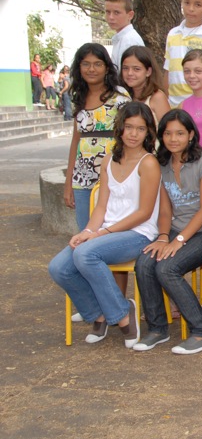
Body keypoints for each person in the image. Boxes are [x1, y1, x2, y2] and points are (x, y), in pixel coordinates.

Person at [49, 101, 160, 348]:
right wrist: (88, 231)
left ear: (148, 132)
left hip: (138, 233)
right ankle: (99, 314)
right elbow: (101, 206)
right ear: (119, 128)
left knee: (86, 254)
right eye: (128, 127)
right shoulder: (109, 160)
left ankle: (122, 314)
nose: (133, 134)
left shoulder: (149, 163)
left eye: (140, 128)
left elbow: (144, 213)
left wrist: (100, 234)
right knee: (59, 267)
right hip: (106, 233)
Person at [133, 109, 202, 353]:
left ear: (191, 135)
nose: (173, 139)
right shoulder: (161, 164)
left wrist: (179, 240)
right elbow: (165, 210)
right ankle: (157, 329)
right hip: (174, 231)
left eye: (180, 133)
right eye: (168, 133)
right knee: (144, 263)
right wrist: (163, 237)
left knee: (167, 269)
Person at [64, 43, 132, 234]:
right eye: (86, 64)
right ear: (79, 67)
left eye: (97, 64)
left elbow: (131, 136)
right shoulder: (78, 96)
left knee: (109, 232)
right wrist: (69, 182)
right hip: (83, 177)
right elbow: (76, 141)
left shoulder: (120, 97)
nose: (91, 69)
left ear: (107, 68)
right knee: (84, 232)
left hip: (113, 175)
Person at [120, 46, 170, 125]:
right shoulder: (121, 96)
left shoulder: (157, 97)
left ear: (148, 71)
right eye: (125, 68)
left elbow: (168, 128)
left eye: (136, 69)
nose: (130, 73)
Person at [105, 0, 144, 70]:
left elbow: (128, 75)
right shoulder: (122, 38)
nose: (111, 17)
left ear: (130, 15)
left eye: (116, 12)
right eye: (108, 12)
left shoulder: (129, 41)